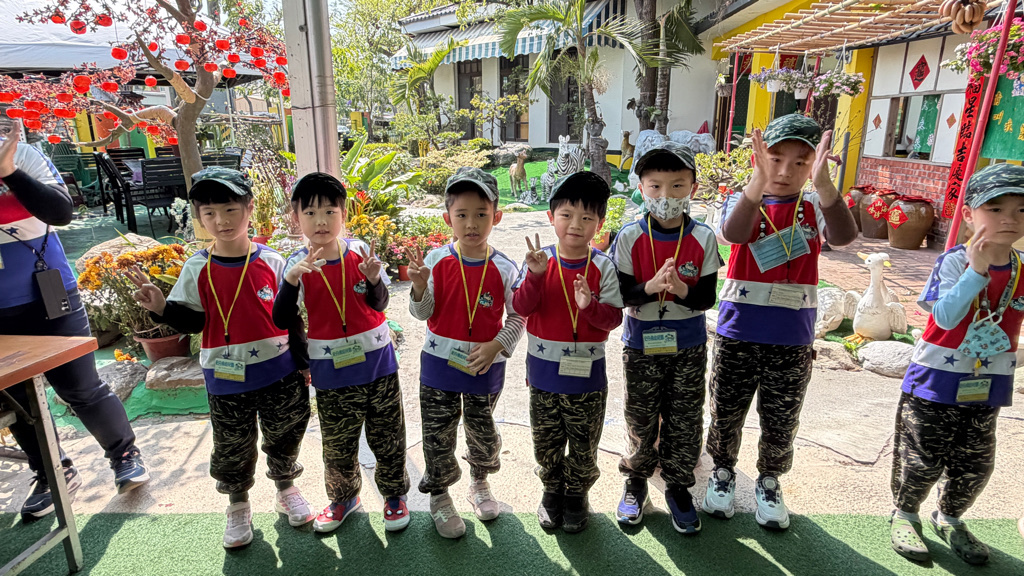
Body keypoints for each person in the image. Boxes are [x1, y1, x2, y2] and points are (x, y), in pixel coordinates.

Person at [128, 167, 314, 548]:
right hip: (227, 379)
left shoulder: (273, 261)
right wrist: (161, 307)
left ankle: (286, 488)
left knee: (286, 433)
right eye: (209, 212)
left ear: (249, 208)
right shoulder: (197, 267)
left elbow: (291, 317)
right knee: (232, 444)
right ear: (199, 217)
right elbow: (194, 321)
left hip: (280, 373)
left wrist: (304, 363)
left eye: (230, 209)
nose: (221, 220)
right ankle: (238, 503)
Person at [704, 114, 857, 530]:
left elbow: (844, 237)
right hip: (739, 332)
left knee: (781, 417)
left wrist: (825, 186)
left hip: (792, 338)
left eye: (800, 162)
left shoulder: (815, 207)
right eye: (775, 159)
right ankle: (722, 472)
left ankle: (769, 481)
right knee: (726, 410)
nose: (786, 171)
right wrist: (756, 184)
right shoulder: (741, 200)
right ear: (759, 157)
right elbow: (735, 234)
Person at [0, 118, 149, 519]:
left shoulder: (22, 155)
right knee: (15, 398)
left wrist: (9, 172)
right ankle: (52, 472)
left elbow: (60, 211)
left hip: (48, 295)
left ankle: (124, 453)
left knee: (79, 386)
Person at [887, 164, 1024, 566]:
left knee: (976, 463)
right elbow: (944, 317)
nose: (1009, 219)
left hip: (988, 384)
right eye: (995, 208)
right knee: (921, 458)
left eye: (1021, 210)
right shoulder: (953, 262)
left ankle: (949, 518)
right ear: (968, 215)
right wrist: (977, 270)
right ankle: (905, 514)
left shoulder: (1021, 268)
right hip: (935, 382)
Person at [272, 172, 410, 534]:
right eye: (310, 213)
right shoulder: (297, 264)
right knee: (338, 444)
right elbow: (282, 319)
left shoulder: (361, 251)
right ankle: (344, 498)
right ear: (296, 218)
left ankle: (394, 496)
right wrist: (291, 280)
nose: (321, 221)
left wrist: (375, 279)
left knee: (389, 436)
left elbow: (379, 304)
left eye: (329, 212)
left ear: (343, 213)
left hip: (379, 364)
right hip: (331, 371)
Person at [405, 167, 525, 538]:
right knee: (437, 433)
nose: (471, 223)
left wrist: (498, 345)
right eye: (462, 214)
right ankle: (440, 496)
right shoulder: (436, 261)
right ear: (448, 218)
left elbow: (518, 315)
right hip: (438, 367)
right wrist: (419, 288)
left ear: (496, 217)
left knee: (482, 432)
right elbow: (422, 313)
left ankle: (479, 481)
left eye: (481, 214)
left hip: (484, 367)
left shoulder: (504, 267)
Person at [610, 142, 721, 534]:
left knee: (685, 418)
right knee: (640, 416)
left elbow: (707, 298)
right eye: (655, 186)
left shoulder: (703, 237)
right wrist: (650, 287)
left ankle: (677, 486)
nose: (665, 195)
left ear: (692, 188)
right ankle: (636, 482)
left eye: (677, 186)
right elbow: (621, 294)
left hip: (688, 346)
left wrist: (681, 290)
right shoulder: (629, 236)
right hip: (641, 344)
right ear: (641, 188)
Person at [512, 172, 623, 533]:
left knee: (584, 442)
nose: (575, 224)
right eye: (566, 215)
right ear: (551, 217)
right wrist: (535, 276)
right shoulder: (537, 260)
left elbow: (614, 319)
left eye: (587, 217)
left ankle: (576, 495)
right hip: (543, 375)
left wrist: (589, 306)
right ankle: (551, 491)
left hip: (587, 379)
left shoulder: (603, 266)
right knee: (545, 440)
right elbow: (521, 307)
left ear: (599, 224)